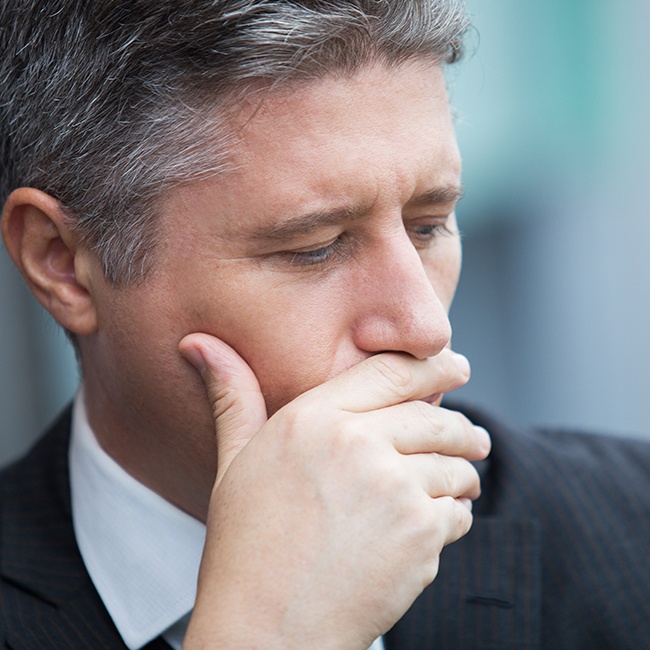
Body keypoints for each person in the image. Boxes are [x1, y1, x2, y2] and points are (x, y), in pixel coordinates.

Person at [0, 1, 648, 649]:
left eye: (428, 226)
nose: (425, 327)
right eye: (316, 246)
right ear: (62, 264)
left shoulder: (630, 532)